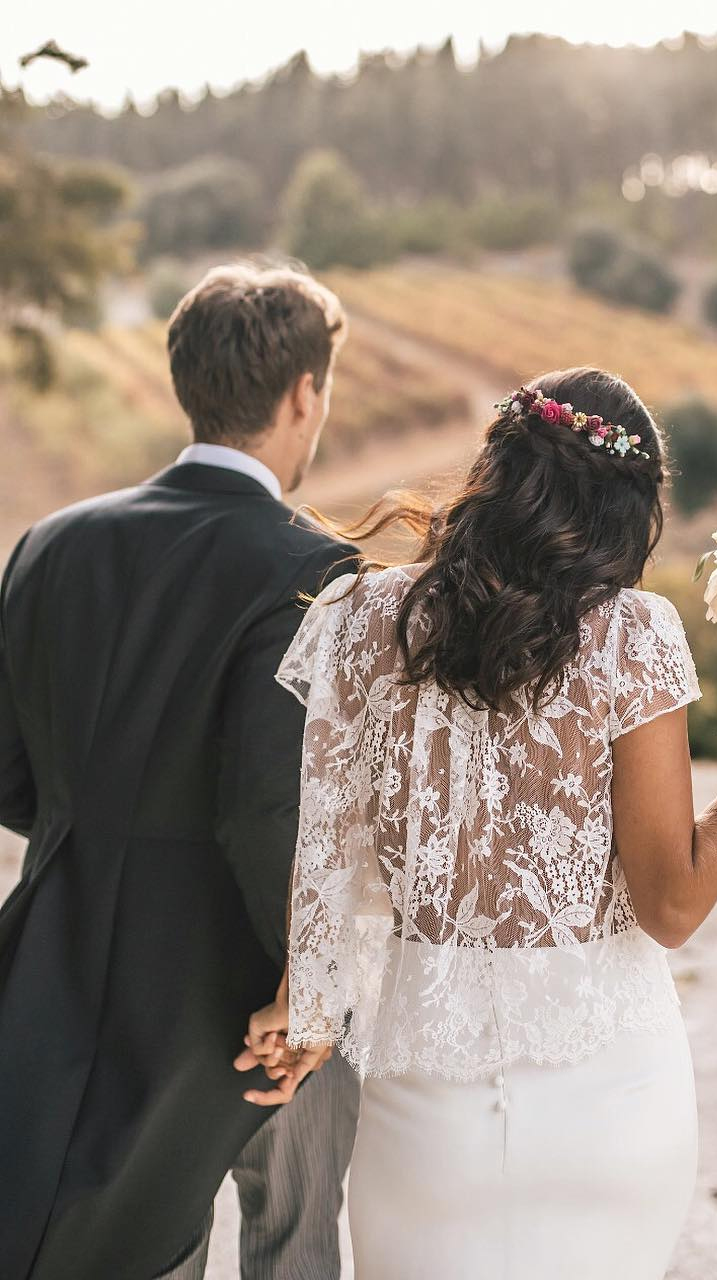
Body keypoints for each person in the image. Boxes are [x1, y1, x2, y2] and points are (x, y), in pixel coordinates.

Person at [243, 367, 717, 1280]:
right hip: (609, 1099)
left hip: (427, 1107)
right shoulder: (633, 634)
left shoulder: (361, 616)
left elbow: (323, 853)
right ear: (630, 509)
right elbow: (673, 907)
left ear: (495, 466)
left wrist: (307, 1010)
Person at [0, 263, 359, 1280]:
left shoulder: (51, 544)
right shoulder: (312, 568)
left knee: (127, 1250)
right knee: (292, 1240)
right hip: (256, 989)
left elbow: (7, 770)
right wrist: (313, 974)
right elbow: (271, 797)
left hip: (65, 964)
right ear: (302, 394)